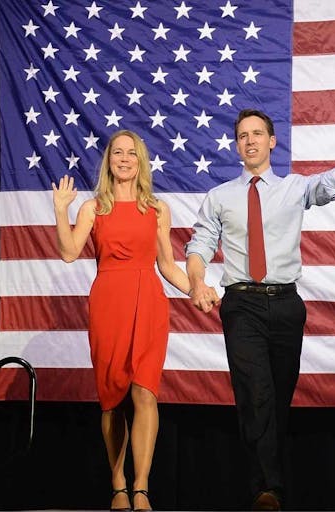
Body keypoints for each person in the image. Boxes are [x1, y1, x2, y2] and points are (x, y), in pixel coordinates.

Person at [185, 105, 335, 510]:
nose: (250, 141)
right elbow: (198, 248)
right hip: (241, 303)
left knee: (277, 399)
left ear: (272, 141)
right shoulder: (219, 197)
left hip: (286, 306)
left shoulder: (295, 188)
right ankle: (267, 491)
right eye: (243, 135)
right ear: (236, 144)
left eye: (257, 134)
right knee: (257, 392)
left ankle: (271, 485)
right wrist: (197, 281)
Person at [52, 130, 217, 511]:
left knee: (145, 391)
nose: (124, 159)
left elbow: (167, 265)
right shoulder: (94, 209)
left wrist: (198, 288)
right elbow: (68, 252)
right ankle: (118, 482)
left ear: (140, 161)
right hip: (109, 301)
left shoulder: (158, 209)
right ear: (109, 160)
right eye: (117, 153)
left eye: (131, 153)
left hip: (149, 302)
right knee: (112, 397)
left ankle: (141, 487)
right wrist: (61, 209)